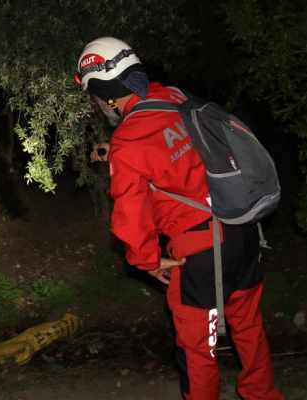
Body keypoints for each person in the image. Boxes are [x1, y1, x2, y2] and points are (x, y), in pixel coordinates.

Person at [77, 37, 282, 400]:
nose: (96, 104)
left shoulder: (129, 141)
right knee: (248, 327)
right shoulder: (172, 96)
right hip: (243, 228)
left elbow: (130, 217)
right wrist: (119, 152)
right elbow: (178, 144)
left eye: (94, 95)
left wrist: (147, 261)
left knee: (196, 348)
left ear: (105, 92)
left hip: (202, 252)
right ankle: (263, 394)